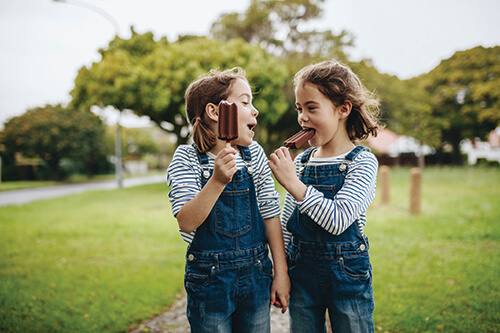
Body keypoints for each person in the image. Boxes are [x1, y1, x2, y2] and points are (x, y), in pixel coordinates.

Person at [167, 67, 290, 333]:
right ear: (215, 112)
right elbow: (186, 222)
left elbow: (270, 214)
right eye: (245, 102)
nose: (255, 110)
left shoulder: (253, 154)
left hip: (257, 275)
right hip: (210, 281)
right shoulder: (186, 159)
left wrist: (281, 273)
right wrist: (217, 180)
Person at [268, 60, 381, 333]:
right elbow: (286, 224)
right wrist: (280, 273)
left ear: (343, 109)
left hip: (347, 274)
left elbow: (339, 219)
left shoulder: (362, 162)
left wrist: (294, 185)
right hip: (302, 272)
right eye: (299, 108)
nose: (302, 117)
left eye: (311, 107)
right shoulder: (302, 161)